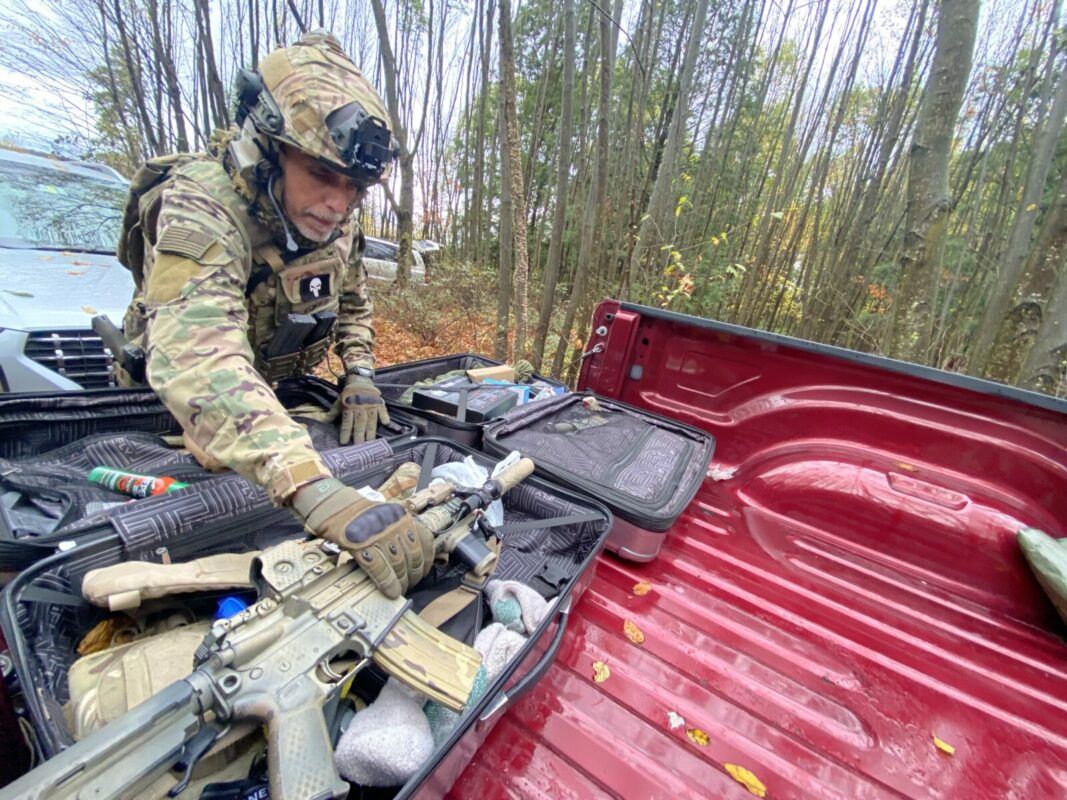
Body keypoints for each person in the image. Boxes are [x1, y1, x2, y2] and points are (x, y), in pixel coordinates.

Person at [116, 31, 431, 600]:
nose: (338, 203)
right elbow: (197, 353)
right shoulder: (202, 202)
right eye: (322, 175)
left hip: (271, 405)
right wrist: (310, 484)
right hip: (170, 410)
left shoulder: (334, 219)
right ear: (267, 149)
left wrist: (360, 372)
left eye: (355, 189)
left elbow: (354, 298)